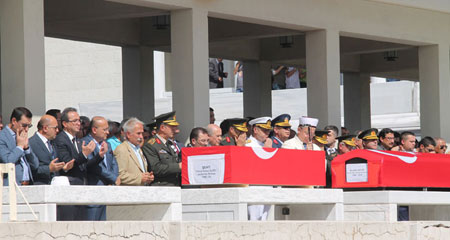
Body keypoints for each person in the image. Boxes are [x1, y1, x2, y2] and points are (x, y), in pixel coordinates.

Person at [83, 116, 119, 220]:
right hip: (93, 189)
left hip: (106, 189)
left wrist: (114, 178)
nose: (108, 132)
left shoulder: (106, 144)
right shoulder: (86, 143)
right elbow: (94, 166)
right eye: (104, 129)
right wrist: (113, 178)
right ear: (94, 130)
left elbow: (113, 162)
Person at [54, 107, 98, 186]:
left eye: (79, 120)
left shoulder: (78, 140)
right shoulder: (60, 140)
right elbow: (68, 162)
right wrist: (84, 154)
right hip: (69, 183)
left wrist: (99, 156)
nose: (79, 123)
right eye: (75, 121)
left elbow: (84, 165)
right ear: (65, 124)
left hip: (82, 182)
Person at [0, 107, 39, 185]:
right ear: (14, 121)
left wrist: (27, 148)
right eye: (24, 125)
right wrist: (19, 147)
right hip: (11, 185)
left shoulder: (22, 135)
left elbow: (35, 165)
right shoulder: (2, 137)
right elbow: (8, 161)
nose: (27, 129)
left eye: (29, 126)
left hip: (27, 184)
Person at [142, 111, 181, 186]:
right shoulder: (151, 145)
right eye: (172, 127)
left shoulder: (169, 143)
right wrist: (178, 166)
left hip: (174, 185)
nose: (175, 130)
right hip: (161, 187)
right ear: (162, 128)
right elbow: (156, 168)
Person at [29, 115, 70, 185]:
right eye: (55, 128)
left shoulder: (52, 142)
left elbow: (54, 164)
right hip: (40, 186)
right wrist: (49, 169)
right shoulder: (31, 143)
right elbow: (30, 169)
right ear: (45, 128)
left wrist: (63, 168)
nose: (57, 130)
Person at [114, 118, 153, 186]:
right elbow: (120, 176)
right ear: (128, 134)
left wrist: (148, 177)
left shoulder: (138, 149)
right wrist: (140, 178)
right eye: (138, 133)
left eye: (142, 133)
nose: (141, 136)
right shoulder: (122, 150)